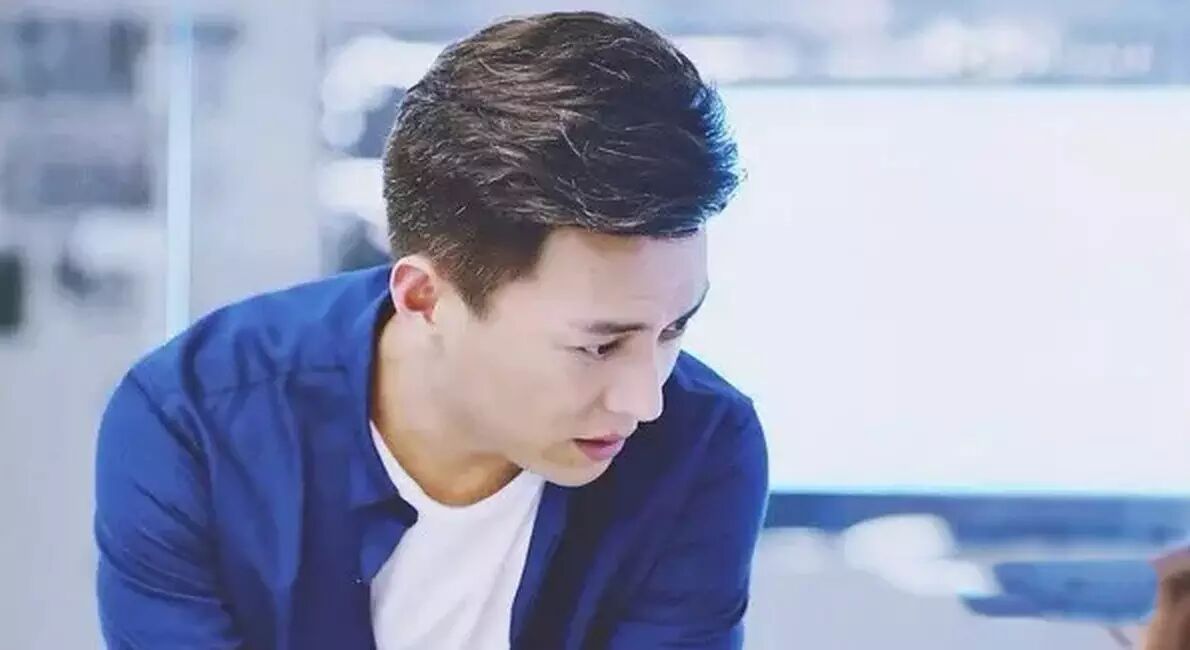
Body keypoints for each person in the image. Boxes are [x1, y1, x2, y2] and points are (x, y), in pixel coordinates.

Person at [94, 10, 768, 650]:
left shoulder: (702, 445)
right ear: (424, 297)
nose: (645, 401)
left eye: (674, 329)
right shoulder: (194, 425)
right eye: (598, 345)